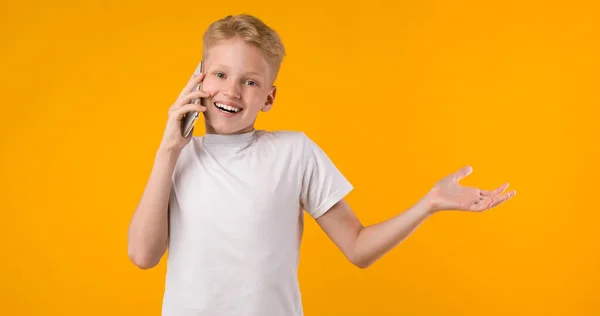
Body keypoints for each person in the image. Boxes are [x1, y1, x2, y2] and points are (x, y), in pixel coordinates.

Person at [127, 13, 517, 316]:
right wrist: (168, 150)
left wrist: (428, 203)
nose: (231, 90)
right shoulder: (178, 159)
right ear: (198, 80)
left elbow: (358, 248)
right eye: (220, 74)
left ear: (269, 97)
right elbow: (143, 256)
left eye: (250, 81)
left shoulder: (294, 152)